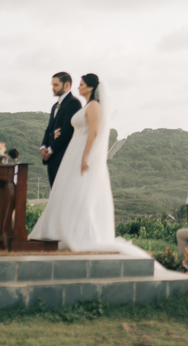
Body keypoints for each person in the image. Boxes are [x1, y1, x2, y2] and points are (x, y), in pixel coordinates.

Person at [29, 74, 134, 253]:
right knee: (67, 193)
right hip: (73, 151)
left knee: (80, 194)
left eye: (82, 84)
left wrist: (85, 156)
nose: (78, 87)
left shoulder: (93, 106)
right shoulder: (85, 106)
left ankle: (85, 235)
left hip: (81, 152)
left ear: (91, 88)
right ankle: (61, 229)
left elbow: (93, 133)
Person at [39, 71, 82, 187]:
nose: (53, 88)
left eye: (56, 85)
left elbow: (68, 132)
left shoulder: (73, 103)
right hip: (52, 159)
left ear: (67, 85)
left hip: (63, 158)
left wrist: (51, 149)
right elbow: (49, 129)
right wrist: (43, 147)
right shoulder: (54, 106)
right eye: (52, 85)